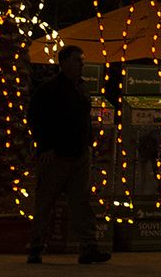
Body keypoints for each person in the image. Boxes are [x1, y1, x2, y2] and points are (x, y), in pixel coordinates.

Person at [25, 45, 110, 265]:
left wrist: (88, 145)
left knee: (81, 203)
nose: (81, 64)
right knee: (46, 202)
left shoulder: (81, 88)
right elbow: (34, 118)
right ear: (63, 63)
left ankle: (88, 247)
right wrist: (45, 147)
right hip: (56, 156)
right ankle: (35, 248)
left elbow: (83, 120)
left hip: (79, 155)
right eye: (76, 60)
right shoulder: (49, 89)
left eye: (82, 60)